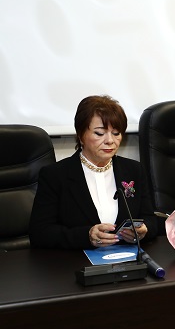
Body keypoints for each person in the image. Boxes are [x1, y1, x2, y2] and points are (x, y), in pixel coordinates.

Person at [29, 95, 157, 249]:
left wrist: (144, 231)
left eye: (116, 133)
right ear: (81, 135)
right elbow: (40, 233)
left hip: (127, 258)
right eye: (100, 133)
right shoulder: (55, 175)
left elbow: (150, 219)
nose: (110, 140)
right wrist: (86, 236)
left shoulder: (134, 170)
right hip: (75, 260)